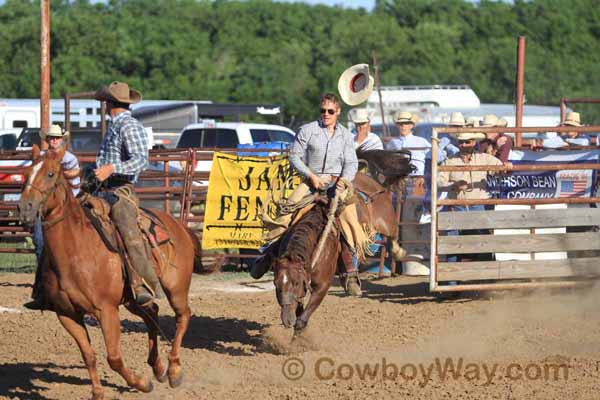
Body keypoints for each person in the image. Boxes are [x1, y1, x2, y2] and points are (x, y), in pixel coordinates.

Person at [253, 93, 365, 296]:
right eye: (323, 110)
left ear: (338, 112)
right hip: (310, 183)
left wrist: (342, 181)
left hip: (337, 184)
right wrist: (311, 176)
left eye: (330, 111)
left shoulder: (346, 136)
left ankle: (351, 273)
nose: (326, 114)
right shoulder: (307, 130)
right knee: (286, 216)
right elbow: (294, 156)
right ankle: (266, 256)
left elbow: (351, 163)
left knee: (349, 223)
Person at [93, 81, 157, 307]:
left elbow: (141, 160)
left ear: (109, 104)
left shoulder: (129, 126)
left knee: (127, 227)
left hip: (121, 191)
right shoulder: (114, 126)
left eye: (104, 102)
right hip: (103, 189)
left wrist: (112, 168)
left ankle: (142, 283)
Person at [24, 124, 80, 310]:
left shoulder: (68, 158)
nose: (54, 141)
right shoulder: (43, 158)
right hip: (46, 208)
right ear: (47, 139)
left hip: (68, 208)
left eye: (57, 138)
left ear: (62, 139)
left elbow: (72, 182)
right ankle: (43, 291)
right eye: (51, 137)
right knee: (41, 244)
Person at [438, 132, 504, 262]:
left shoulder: (484, 158)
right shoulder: (450, 161)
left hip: (478, 204)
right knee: (453, 242)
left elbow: (500, 167)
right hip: (457, 205)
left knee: (482, 241)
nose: (463, 145)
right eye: (461, 142)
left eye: (467, 142)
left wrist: (505, 167)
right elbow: (440, 181)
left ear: (473, 142)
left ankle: (483, 277)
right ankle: (452, 279)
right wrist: (453, 185)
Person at [386, 111, 433, 275]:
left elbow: (437, 156)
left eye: (406, 123)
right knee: (400, 220)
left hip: (418, 181)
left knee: (417, 219)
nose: (403, 126)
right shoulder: (392, 144)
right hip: (400, 182)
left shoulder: (422, 142)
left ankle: (417, 260)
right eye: (401, 123)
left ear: (412, 125)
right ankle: (404, 263)